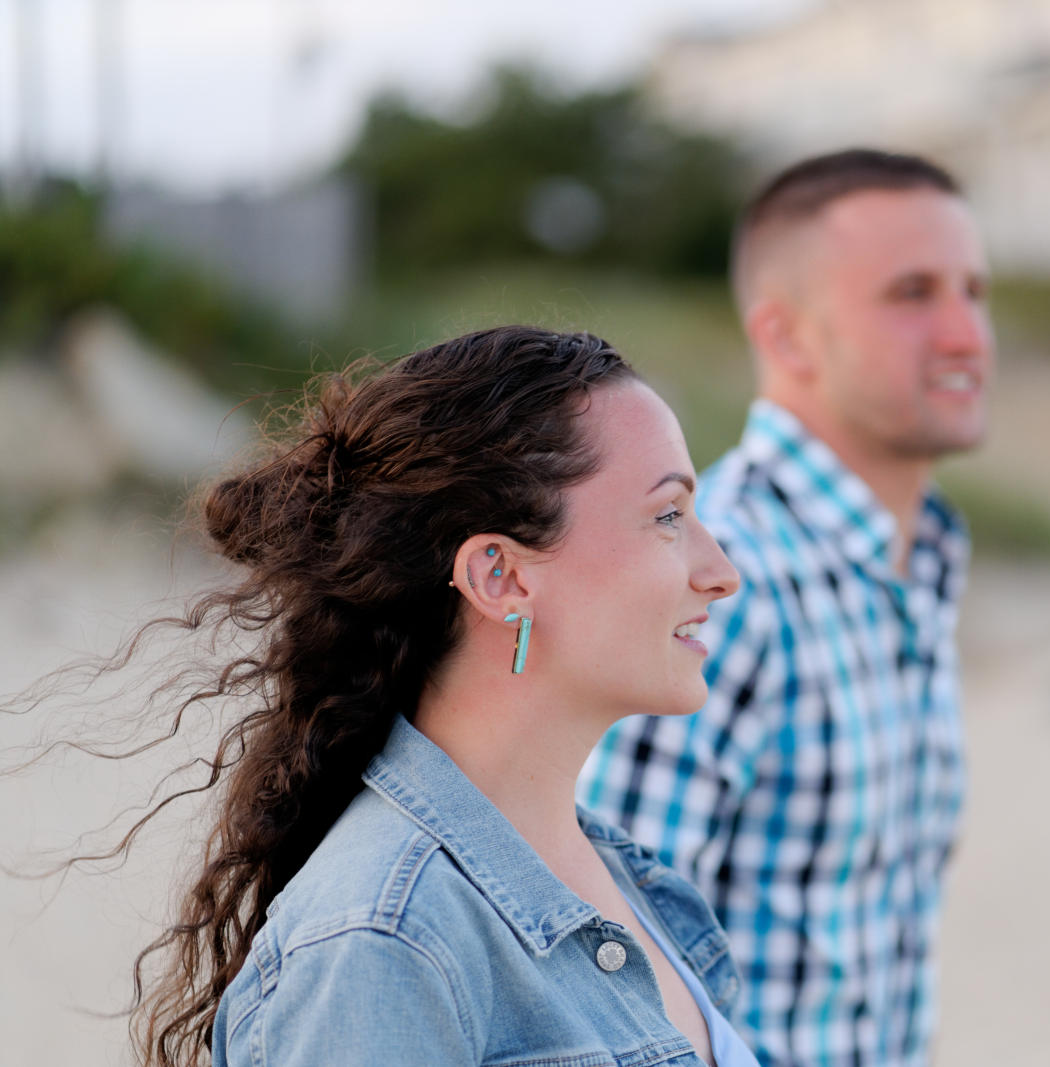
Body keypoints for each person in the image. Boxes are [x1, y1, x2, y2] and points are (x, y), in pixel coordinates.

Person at [21, 326, 765, 1066]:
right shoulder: (382, 943)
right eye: (669, 515)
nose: (721, 569)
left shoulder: (620, 874)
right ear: (499, 577)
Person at [580, 149, 996, 1066]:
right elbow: (598, 968)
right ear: (788, 335)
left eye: (975, 289)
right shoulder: (717, 578)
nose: (967, 332)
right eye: (913, 293)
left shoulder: (917, 556)